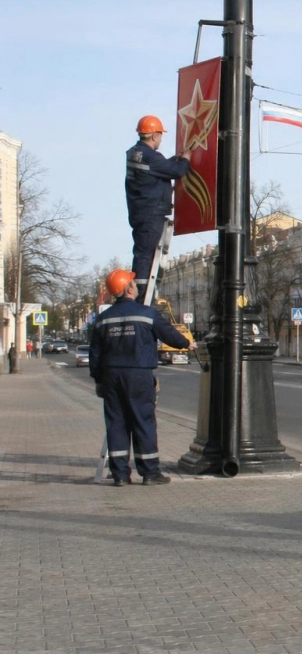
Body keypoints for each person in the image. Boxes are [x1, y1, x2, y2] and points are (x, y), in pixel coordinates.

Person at [90, 268, 197, 487]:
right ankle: (149, 473)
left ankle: (120, 475)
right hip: (138, 374)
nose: (136, 285)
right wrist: (188, 343)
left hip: (111, 375)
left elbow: (95, 354)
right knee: (143, 422)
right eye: (133, 282)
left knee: (116, 424)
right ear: (129, 288)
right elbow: (169, 334)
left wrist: (98, 380)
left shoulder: (103, 319)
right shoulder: (146, 314)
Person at [126, 115, 191, 296]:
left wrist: (171, 160)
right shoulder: (150, 156)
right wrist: (185, 159)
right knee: (146, 256)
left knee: (142, 253)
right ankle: (141, 296)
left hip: (140, 212)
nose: (161, 139)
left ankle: (140, 292)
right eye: (161, 135)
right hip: (151, 213)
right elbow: (177, 172)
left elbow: (156, 169)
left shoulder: (135, 153)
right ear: (154, 136)